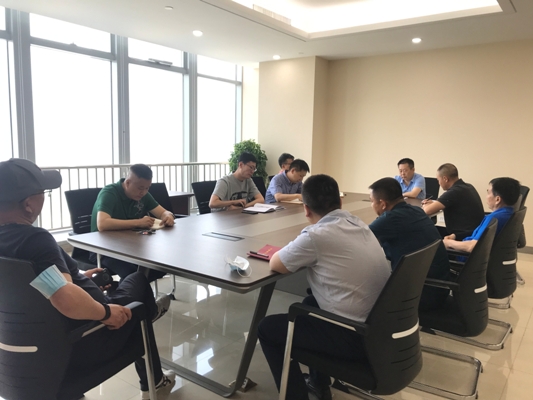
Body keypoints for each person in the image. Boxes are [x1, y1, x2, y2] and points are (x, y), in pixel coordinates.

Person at [0, 158, 174, 400]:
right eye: (43, 193)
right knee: (138, 283)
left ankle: (148, 318)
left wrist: (79, 277)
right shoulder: (35, 240)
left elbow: (39, 285)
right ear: (28, 204)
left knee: (128, 296)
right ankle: (154, 371)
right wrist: (106, 312)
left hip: (23, 355)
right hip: (87, 338)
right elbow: (64, 298)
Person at [258, 174, 391, 400]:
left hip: (354, 337)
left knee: (267, 329)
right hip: (380, 329)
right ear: (340, 202)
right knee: (310, 303)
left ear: (306, 209)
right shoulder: (359, 224)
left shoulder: (316, 235)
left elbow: (276, 264)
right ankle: (319, 384)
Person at [368, 178, 450, 310]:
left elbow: (360, 241)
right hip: (439, 287)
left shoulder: (390, 219)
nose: (371, 205)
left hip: (420, 294)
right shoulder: (417, 210)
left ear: (383, 204)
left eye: (372, 201)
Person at [90, 164, 175, 282]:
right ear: (128, 183)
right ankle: (125, 291)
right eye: (140, 188)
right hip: (104, 248)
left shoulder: (143, 194)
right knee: (133, 274)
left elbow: (163, 212)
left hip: (130, 245)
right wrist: (138, 223)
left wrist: (168, 216)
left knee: (159, 268)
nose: (143, 192)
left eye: (147, 188)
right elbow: (102, 224)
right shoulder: (109, 193)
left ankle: (125, 290)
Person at [443, 177, 521, 252]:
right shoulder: (509, 214)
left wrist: (449, 243)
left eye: (488, 193)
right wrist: (456, 236)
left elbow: (472, 247)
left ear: (497, 199)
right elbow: (481, 234)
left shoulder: (493, 219)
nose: (487, 196)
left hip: (465, 256)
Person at [422, 163, 485, 240]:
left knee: (426, 232)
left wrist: (425, 205)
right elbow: (451, 202)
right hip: (475, 232)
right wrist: (434, 204)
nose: (439, 183)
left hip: (462, 236)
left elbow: (427, 211)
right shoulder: (468, 186)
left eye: (438, 180)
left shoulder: (454, 192)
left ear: (445, 179)